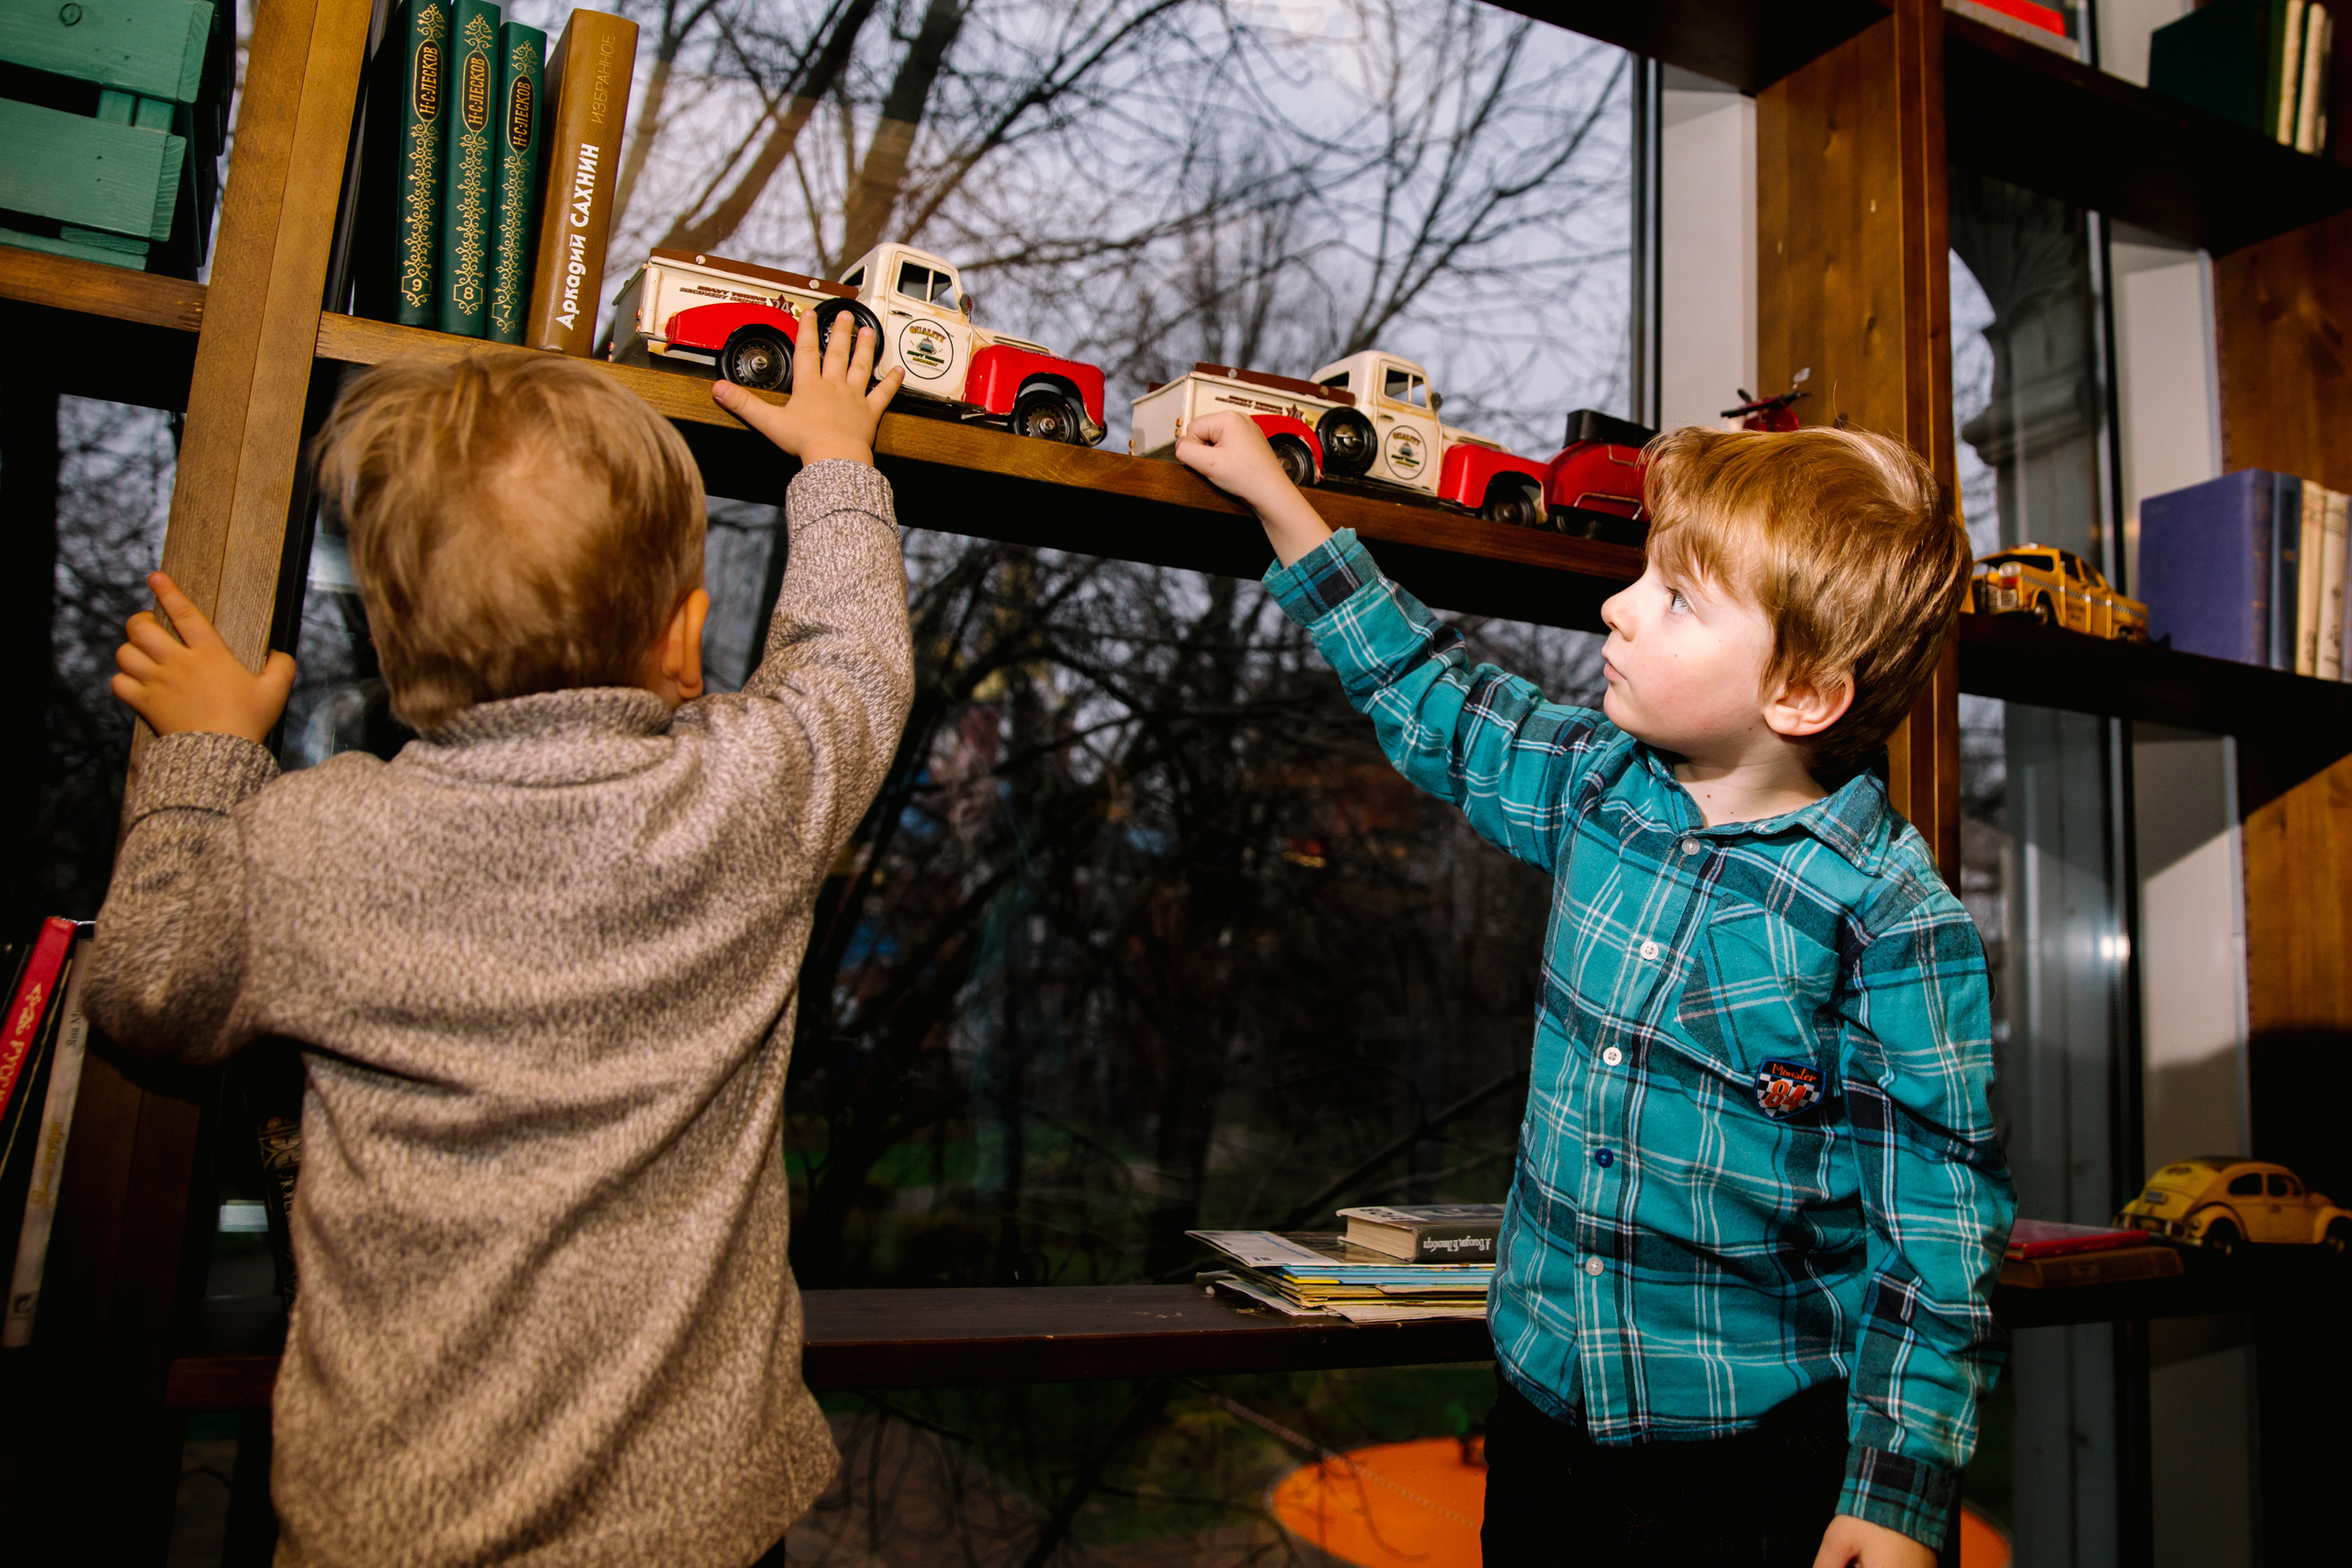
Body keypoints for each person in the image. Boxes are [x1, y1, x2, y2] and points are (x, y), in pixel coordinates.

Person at [88, 322, 910, 1566]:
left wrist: (206, 755)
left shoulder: (310, 843)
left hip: (393, 1532)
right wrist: (838, 461)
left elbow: (146, 983)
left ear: (395, 641)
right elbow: (852, 663)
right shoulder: (747, 800)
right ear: (683, 639)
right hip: (697, 1529)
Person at [1177, 412, 2014, 1568]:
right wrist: (1283, 505)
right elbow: (1435, 693)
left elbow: (1938, 1236)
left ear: (1805, 691)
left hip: (1758, 1462)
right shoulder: (1594, 785)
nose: (1618, 606)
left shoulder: (1890, 922)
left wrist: (1899, 1493)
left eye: (1676, 597)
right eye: (1642, 576)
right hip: (1542, 1420)